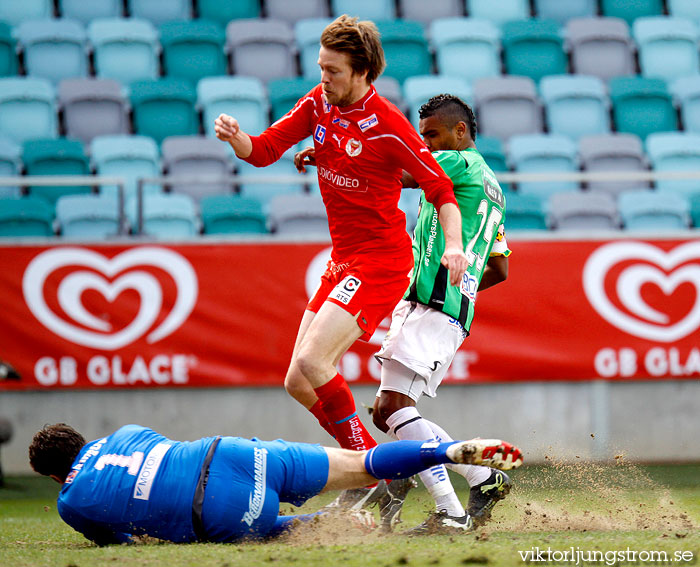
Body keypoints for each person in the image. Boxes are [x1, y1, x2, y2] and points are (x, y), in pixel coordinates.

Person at [215, 14, 468, 517]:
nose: (323, 78)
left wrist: (454, 246)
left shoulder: (389, 125)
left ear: (362, 73)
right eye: (321, 68)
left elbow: (441, 189)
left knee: (314, 363)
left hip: (381, 261)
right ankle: (377, 472)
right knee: (296, 380)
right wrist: (237, 139)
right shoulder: (318, 104)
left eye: (332, 71)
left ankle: (369, 471)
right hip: (344, 259)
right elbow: (264, 151)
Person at [370, 94, 512, 535]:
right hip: (445, 306)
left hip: (430, 303)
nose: (427, 145)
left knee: (394, 406)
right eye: (424, 137)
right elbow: (501, 266)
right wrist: (462, 291)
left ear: (460, 132)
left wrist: (339, 152)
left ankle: (451, 512)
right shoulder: (493, 188)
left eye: (432, 135)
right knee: (385, 411)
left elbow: (406, 173)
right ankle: (481, 477)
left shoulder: (461, 165)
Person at [28, 423, 523, 545]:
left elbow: (123, 539)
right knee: (363, 460)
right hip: (231, 453)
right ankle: (444, 451)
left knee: (274, 525)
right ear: (84, 438)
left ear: (54, 476)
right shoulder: (125, 434)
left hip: (215, 507)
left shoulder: (71, 501)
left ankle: (342, 521)